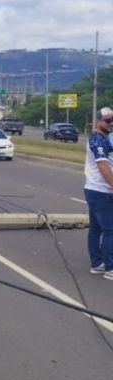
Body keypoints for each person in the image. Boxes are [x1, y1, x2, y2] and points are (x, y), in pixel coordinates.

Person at [84, 107, 113, 279]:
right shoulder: (97, 140)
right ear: (98, 121)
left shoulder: (104, 139)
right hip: (100, 191)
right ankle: (110, 268)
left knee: (96, 229)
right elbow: (103, 166)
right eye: (108, 120)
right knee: (110, 230)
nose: (111, 124)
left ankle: (97, 264)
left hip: (96, 189)